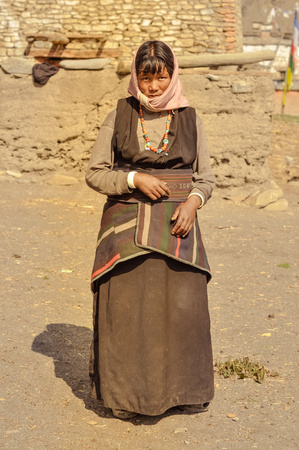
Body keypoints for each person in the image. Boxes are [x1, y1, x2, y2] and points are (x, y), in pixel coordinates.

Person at [86, 40, 215, 420]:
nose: (154, 87)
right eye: (146, 78)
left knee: (182, 311)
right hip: (126, 228)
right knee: (129, 312)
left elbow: (205, 179)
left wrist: (192, 203)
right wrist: (133, 178)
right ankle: (126, 397)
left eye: (161, 77)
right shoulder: (120, 114)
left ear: (172, 76)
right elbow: (95, 172)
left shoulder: (191, 117)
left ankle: (185, 391)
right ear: (136, 77)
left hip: (179, 227)